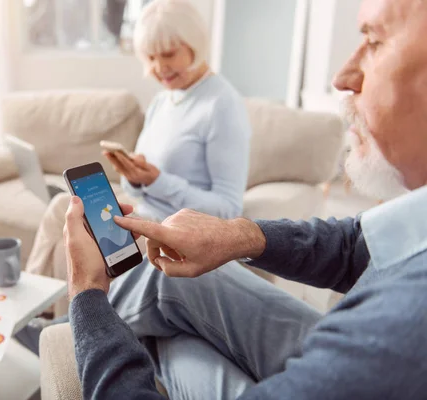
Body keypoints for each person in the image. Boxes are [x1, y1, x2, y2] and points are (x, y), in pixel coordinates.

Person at [63, 0, 427, 398]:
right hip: (343, 348)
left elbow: (225, 200)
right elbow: (355, 245)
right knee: (171, 319)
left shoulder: (400, 331)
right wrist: (238, 236)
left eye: (373, 42)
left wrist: (86, 296)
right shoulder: (413, 225)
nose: (341, 77)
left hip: (349, 363)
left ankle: (69, 326)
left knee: (150, 316)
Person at [19, 0, 251, 319]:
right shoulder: (162, 101)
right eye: (151, 57)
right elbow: (145, 186)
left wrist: (159, 181)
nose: (158, 68)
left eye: (168, 54)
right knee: (63, 206)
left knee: (75, 224)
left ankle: (62, 321)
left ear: (195, 44)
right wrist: (136, 178)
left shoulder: (221, 105)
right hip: (146, 213)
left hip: (172, 232)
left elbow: (228, 210)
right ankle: (38, 312)